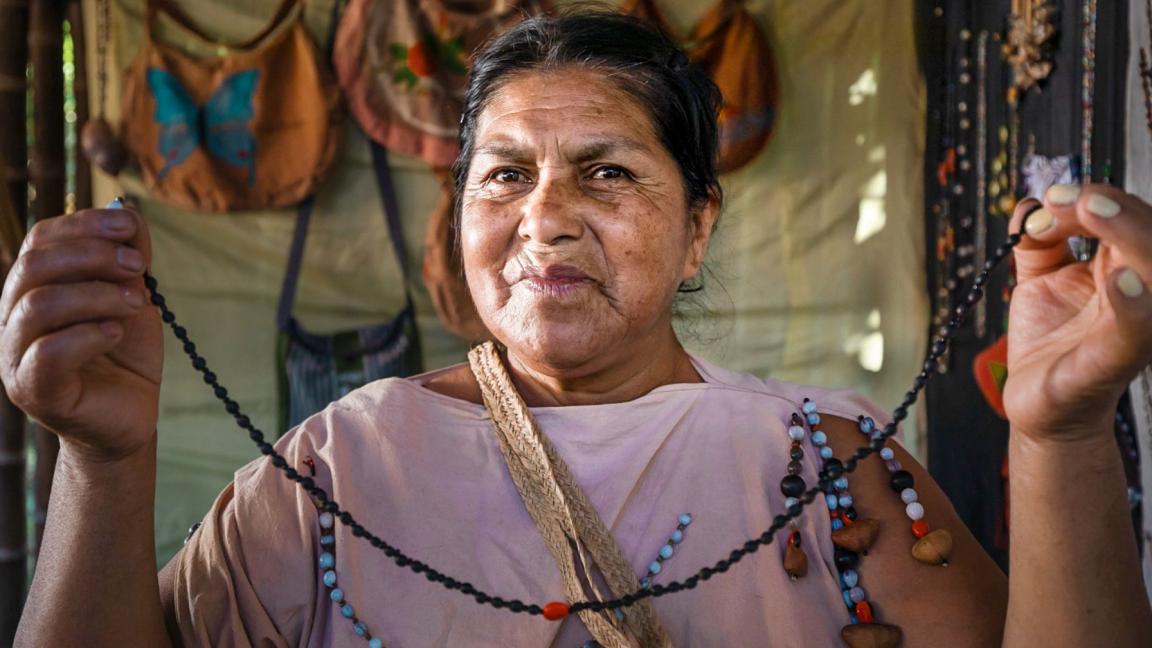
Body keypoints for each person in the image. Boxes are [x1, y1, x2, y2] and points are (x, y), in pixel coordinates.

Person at [6, 10, 1152, 648]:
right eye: (503, 176)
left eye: (604, 173)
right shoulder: (332, 477)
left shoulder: (831, 470)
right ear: (459, 220)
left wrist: (1065, 440)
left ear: (698, 228)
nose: (543, 217)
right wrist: (104, 468)